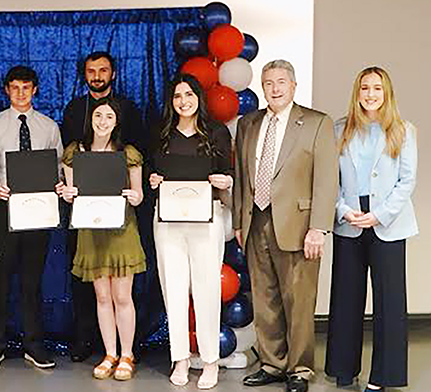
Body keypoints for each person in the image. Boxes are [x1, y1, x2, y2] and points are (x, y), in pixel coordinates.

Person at [232, 59, 338, 392]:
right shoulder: (248, 123)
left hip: (299, 225)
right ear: (262, 87)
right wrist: (238, 220)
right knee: (265, 298)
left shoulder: (317, 123)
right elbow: (240, 177)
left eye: (281, 82)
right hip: (256, 221)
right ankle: (272, 364)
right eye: (268, 83)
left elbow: (325, 179)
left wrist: (318, 227)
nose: (274, 89)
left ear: (293, 86)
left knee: (299, 300)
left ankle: (300, 368)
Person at [325, 67, 417, 392]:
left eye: (377, 88)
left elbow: (407, 182)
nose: (370, 94)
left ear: (386, 93)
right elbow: (328, 179)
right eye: (365, 88)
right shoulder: (339, 129)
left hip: (388, 222)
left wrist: (378, 214)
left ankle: (383, 376)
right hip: (349, 218)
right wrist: (342, 210)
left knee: (390, 303)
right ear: (357, 92)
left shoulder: (403, 131)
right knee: (345, 297)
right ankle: (343, 369)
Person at [61, 51, 147, 362]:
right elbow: (70, 192)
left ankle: (127, 355)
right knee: (100, 296)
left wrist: (134, 197)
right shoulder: (75, 152)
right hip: (90, 229)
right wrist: (66, 193)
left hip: (121, 229)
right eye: (98, 116)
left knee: (123, 296)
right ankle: (109, 354)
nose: (102, 121)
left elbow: (138, 195)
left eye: (109, 117)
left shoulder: (130, 154)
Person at [148, 74, 233, 389]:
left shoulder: (217, 133)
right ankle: (180, 358)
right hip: (168, 220)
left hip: (206, 220)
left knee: (207, 290)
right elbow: (151, 174)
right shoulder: (162, 133)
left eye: (189, 94)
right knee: (174, 290)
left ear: (199, 97)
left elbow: (229, 175)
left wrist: (226, 181)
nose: (183, 101)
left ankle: (210, 361)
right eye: (177, 96)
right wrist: (153, 181)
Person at [0, 65, 63, 370]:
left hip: (37, 211)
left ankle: (33, 344)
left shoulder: (49, 127)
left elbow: (57, 170)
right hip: (4, 210)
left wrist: (57, 187)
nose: (20, 93)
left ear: (35, 89)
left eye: (26, 88)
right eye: (14, 88)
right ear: (6, 90)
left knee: (32, 282)